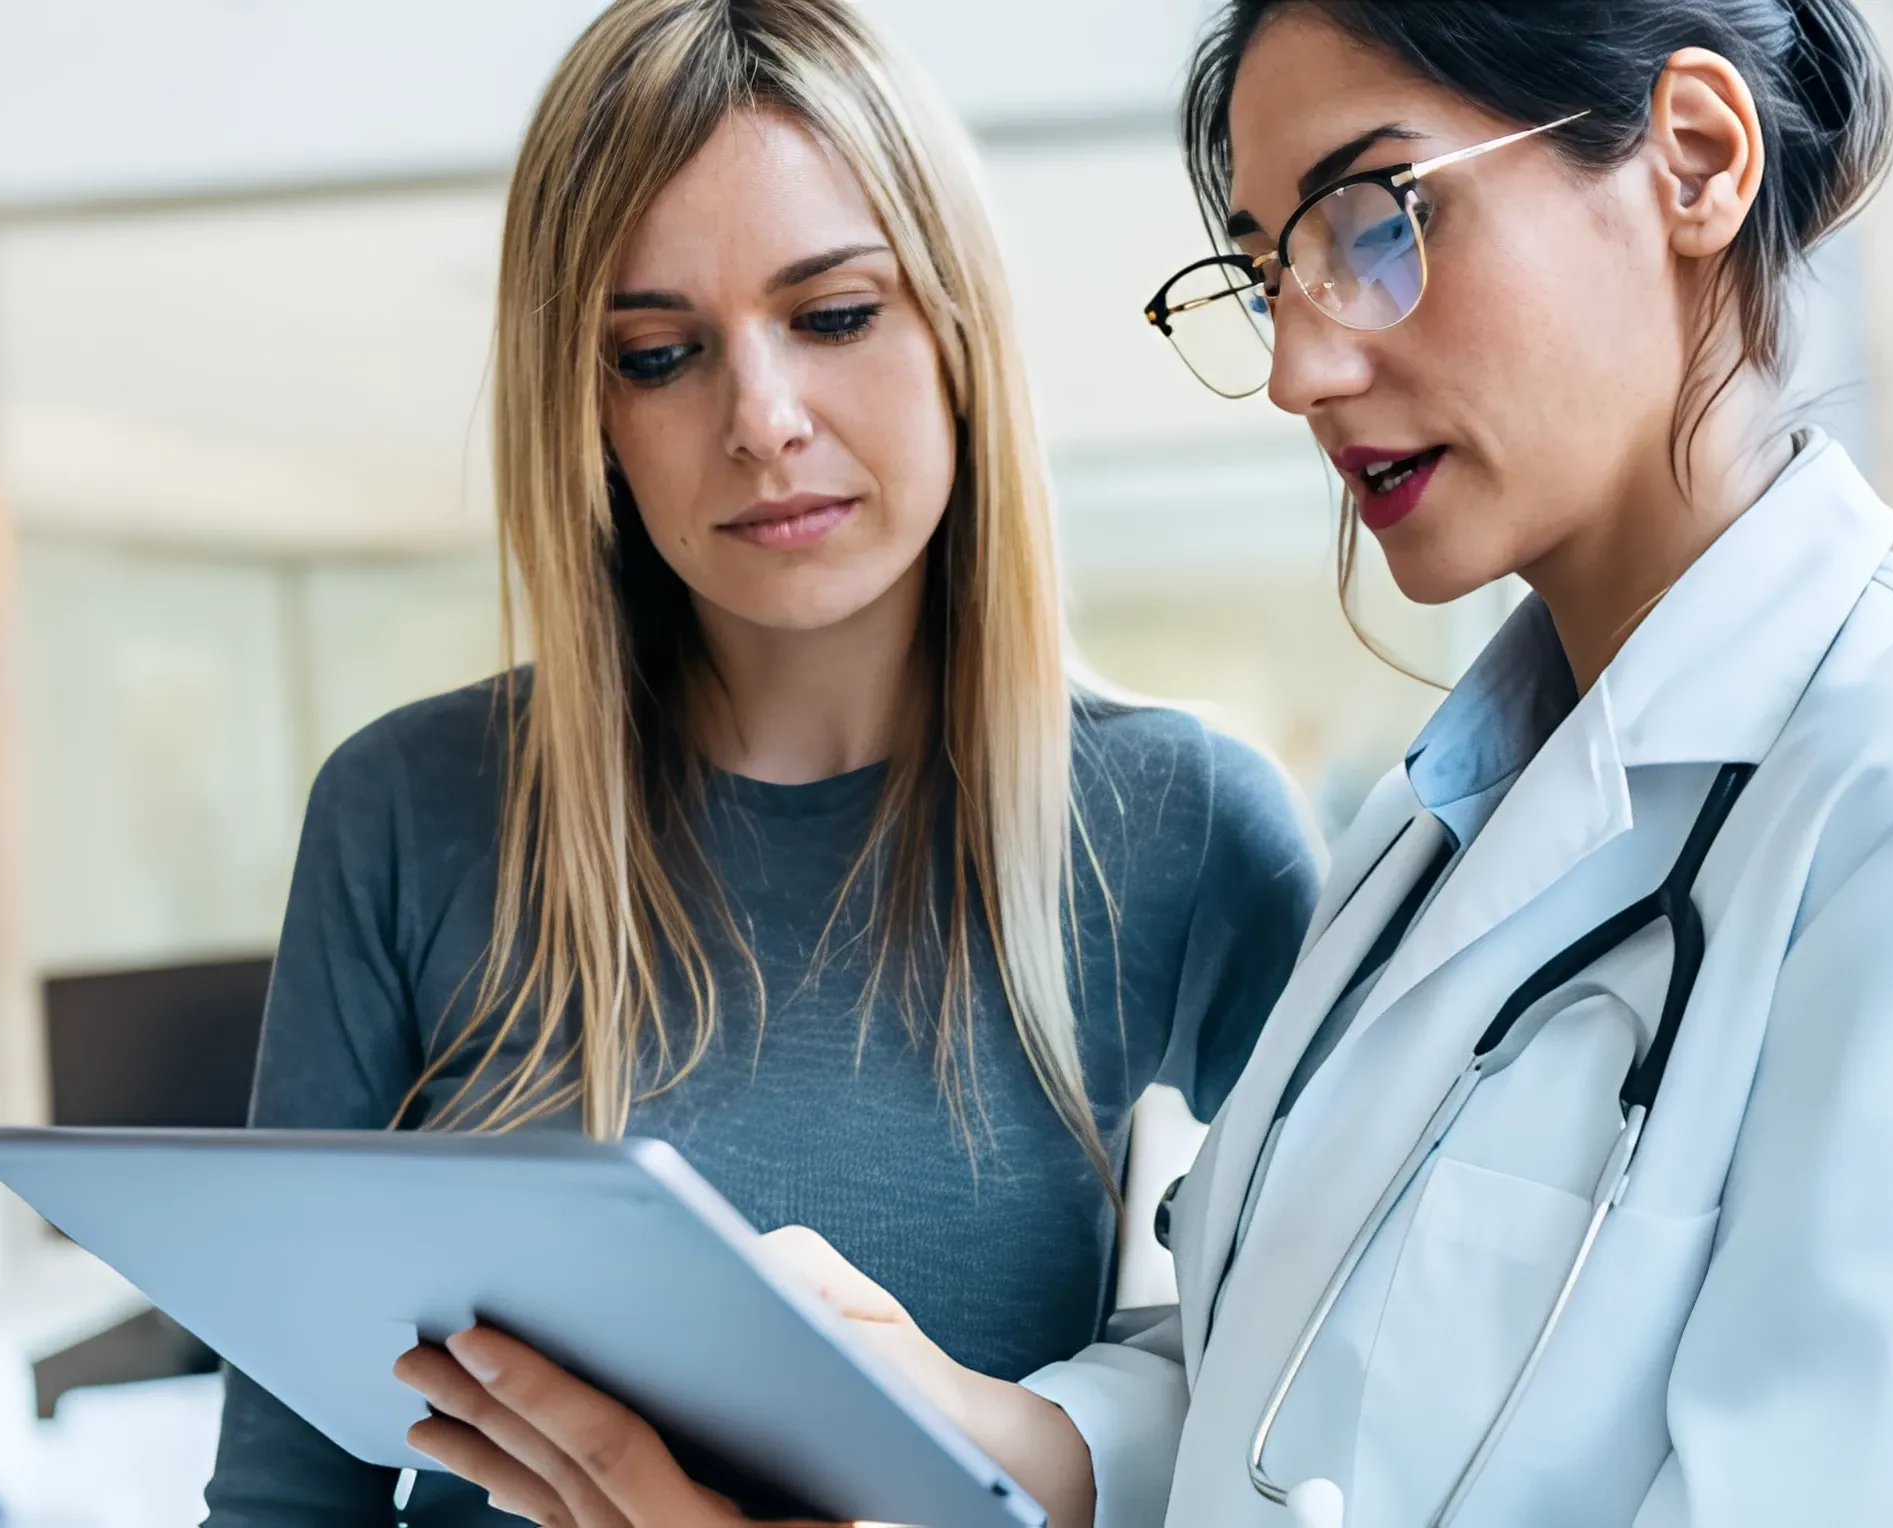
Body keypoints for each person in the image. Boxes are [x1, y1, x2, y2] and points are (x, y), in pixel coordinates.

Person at [392, 2, 1893, 1525]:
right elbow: (1258, 1375)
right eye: (1271, 263)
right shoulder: (1442, 836)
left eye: (1380, 219)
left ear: (1694, 158)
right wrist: (966, 1429)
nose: (1298, 362)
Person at [199, 1, 1324, 1523]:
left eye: (838, 316)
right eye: (660, 355)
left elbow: (1320, 1392)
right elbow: (287, 1496)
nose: (763, 421)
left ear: (957, 332)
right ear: (589, 413)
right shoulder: (409, 811)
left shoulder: (1182, 828)